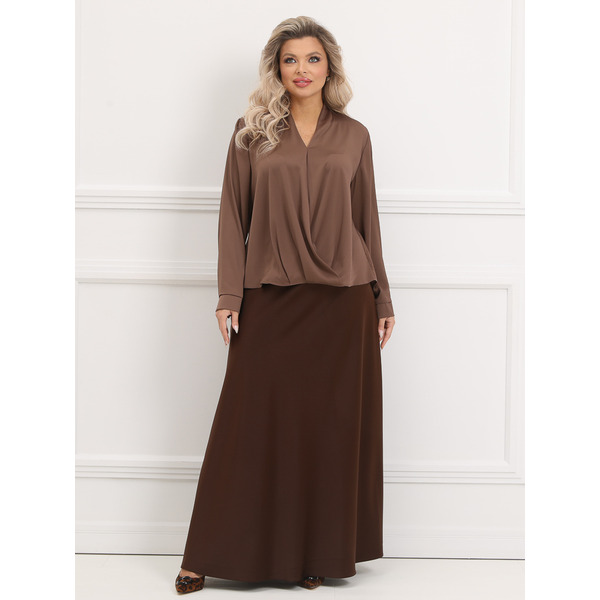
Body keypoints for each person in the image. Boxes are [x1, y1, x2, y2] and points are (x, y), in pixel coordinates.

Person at [175, 15, 395, 594]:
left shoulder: (355, 135)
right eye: (291, 59)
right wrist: (229, 294)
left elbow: (367, 222)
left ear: (329, 67)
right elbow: (233, 217)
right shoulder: (252, 133)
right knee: (245, 425)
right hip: (269, 297)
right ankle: (203, 554)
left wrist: (382, 298)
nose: (302, 69)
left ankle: (315, 554)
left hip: (344, 302)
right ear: (276, 68)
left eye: (313, 59)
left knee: (328, 430)